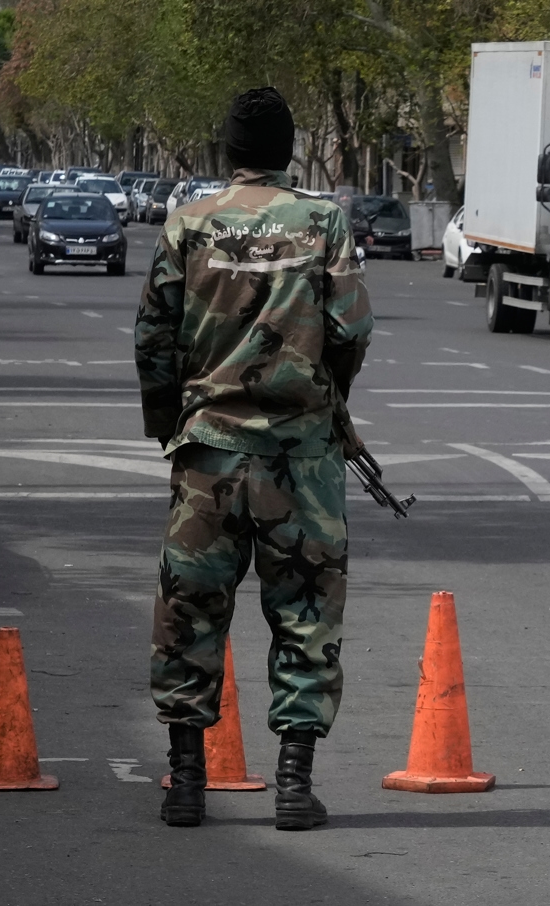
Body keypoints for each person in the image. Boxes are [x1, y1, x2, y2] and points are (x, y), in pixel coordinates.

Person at [135, 87, 373, 831]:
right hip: (300, 461)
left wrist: (170, 422)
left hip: (208, 456)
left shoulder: (186, 224)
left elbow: (152, 337)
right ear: (288, 150)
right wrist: (327, 398)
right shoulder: (323, 222)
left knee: (189, 615)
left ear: (228, 151)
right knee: (305, 616)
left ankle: (184, 783)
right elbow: (350, 329)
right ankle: (294, 787)